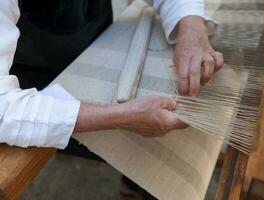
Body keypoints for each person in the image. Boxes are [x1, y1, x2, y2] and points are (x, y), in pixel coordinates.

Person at [0, 0, 223, 158]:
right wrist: (120, 116)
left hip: (98, 43)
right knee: (152, 144)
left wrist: (191, 28)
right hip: (36, 86)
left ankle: (134, 186)